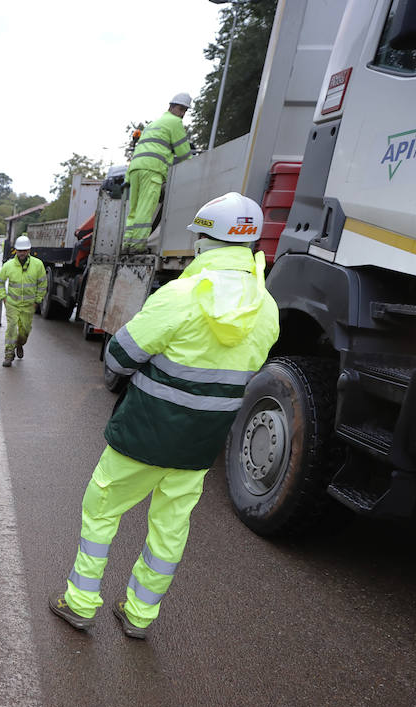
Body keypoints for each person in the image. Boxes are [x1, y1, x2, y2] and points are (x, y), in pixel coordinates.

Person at [49, 192, 279, 638]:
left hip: (145, 431)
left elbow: (119, 356)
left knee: (102, 509)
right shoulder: (266, 308)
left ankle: (80, 602)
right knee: (170, 528)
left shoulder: (181, 295)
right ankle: (138, 614)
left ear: (205, 242)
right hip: (199, 443)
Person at [124, 92, 194, 250]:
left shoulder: (152, 124)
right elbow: (184, 153)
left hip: (135, 168)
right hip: (152, 170)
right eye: (180, 109)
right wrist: (193, 166)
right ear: (171, 107)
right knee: (145, 208)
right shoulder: (174, 122)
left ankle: (127, 243)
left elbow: (140, 149)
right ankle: (137, 247)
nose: (182, 114)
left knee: (133, 209)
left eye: (185, 110)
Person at [0, 234, 47, 367]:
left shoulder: (38, 265)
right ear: (16, 250)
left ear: (29, 250)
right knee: (12, 329)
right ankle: (8, 354)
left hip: (29, 306)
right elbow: (0, 282)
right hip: (12, 305)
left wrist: (37, 300)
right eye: (20, 250)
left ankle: (19, 344)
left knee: (24, 332)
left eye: (24, 250)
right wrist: (4, 297)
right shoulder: (8, 266)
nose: (22, 253)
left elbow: (42, 284)